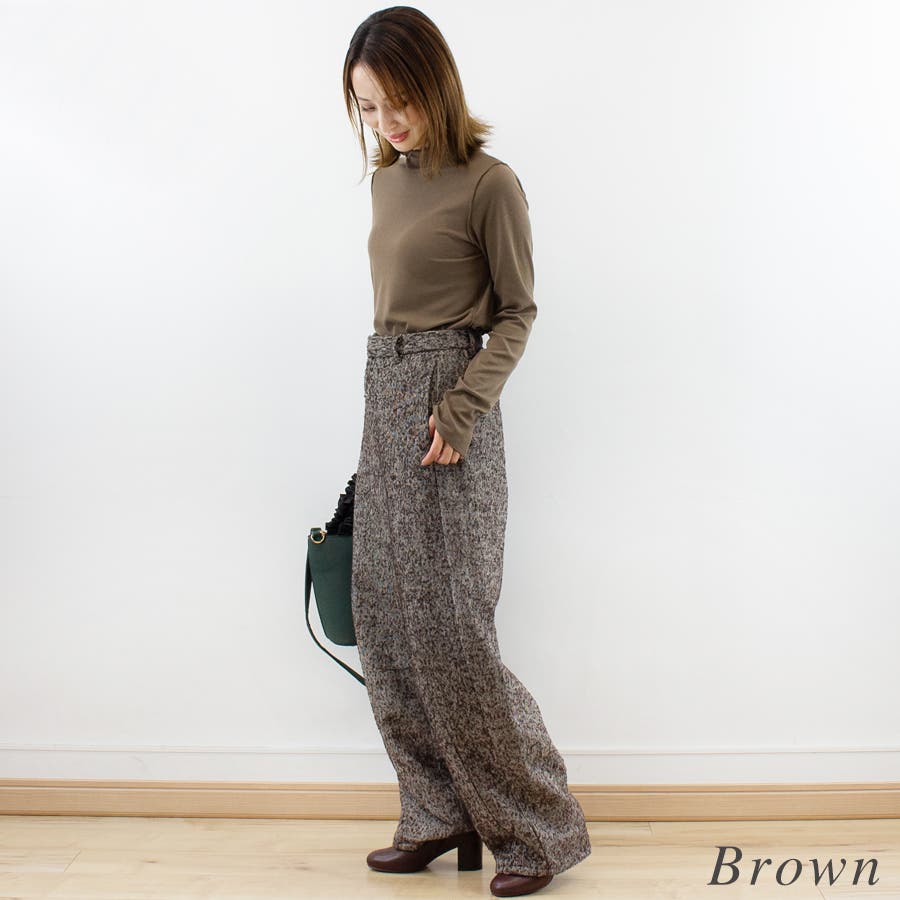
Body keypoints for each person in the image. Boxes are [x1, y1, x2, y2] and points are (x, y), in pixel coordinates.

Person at [343, 7, 592, 897]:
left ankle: (539, 831)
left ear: (436, 84)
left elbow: (517, 313)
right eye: (368, 107)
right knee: (383, 619)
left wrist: (460, 408)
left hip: (452, 409)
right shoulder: (387, 183)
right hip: (384, 394)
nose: (386, 122)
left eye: (398, 101)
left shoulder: (490, 183)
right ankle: (434, 812)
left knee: (453, 630)